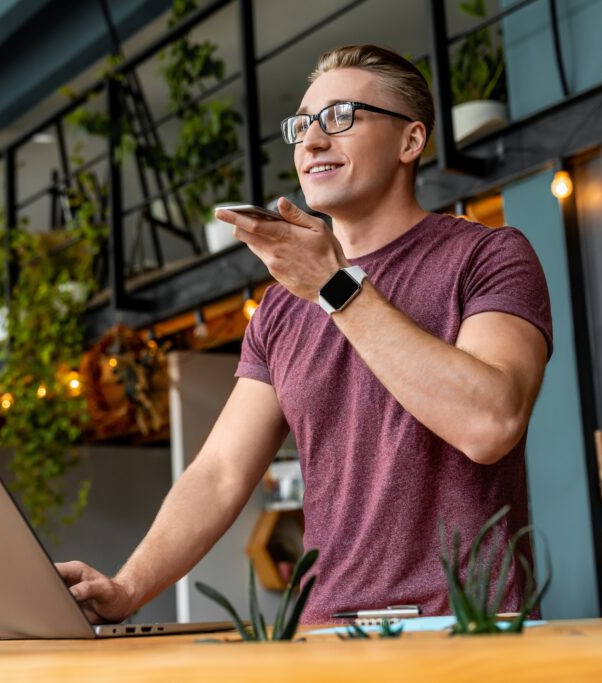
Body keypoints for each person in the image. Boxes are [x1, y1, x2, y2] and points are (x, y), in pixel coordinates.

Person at [57, 44, 552, 624]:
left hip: (466, 628)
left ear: (410, 141)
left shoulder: (488, 256)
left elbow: (489, 423)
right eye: (303, 126)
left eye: (341, 118)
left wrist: (333, 285)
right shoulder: (279, 309)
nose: (312, 141)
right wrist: (126, 587)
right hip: (324, 631)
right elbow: (219, 473)